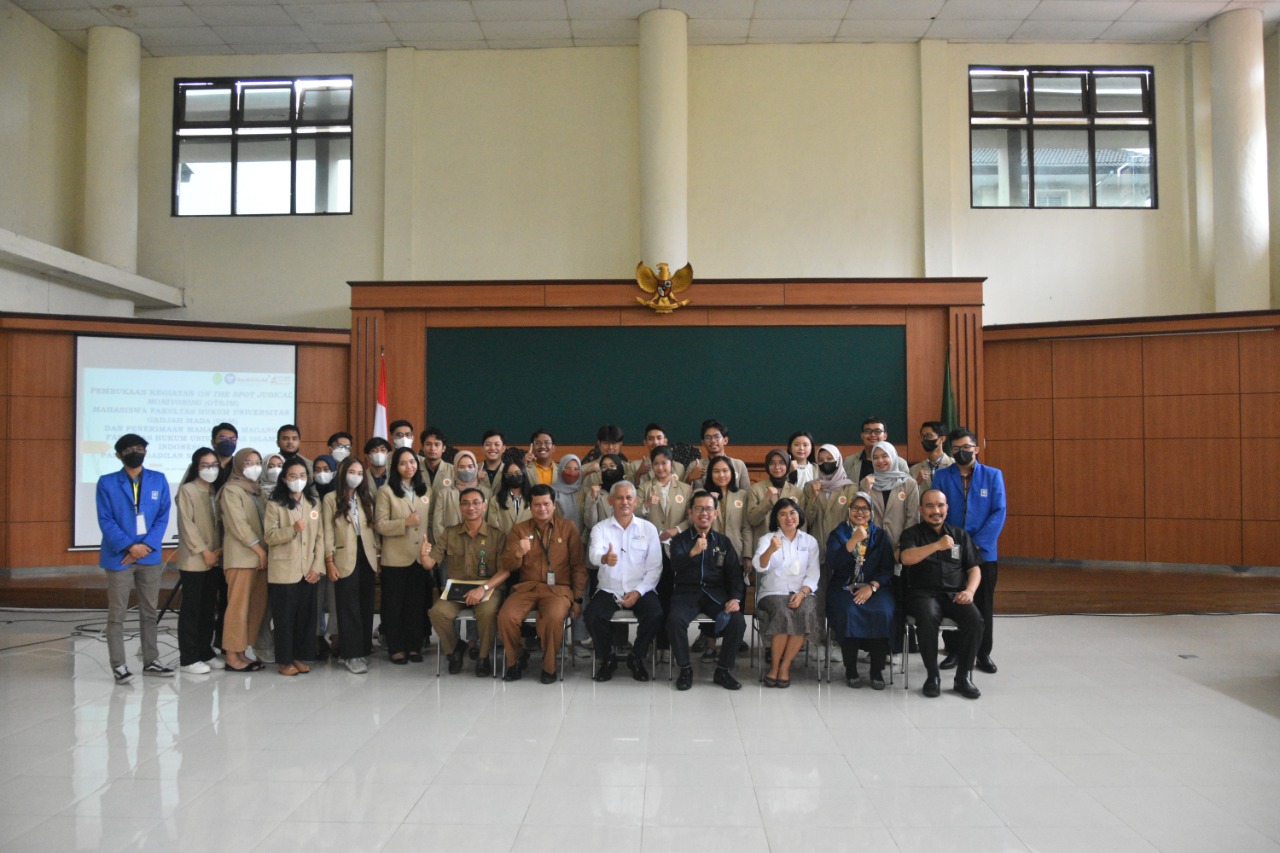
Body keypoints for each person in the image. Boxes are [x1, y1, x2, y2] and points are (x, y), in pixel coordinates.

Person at [97, 433, 173, 683]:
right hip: (119, 556)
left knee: (149, 611)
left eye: (139, 448)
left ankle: (151, 661)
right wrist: (130, 547)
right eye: (129, 449)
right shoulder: (107, 482)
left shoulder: (158, 479)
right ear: (119, 455)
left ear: (146, 452)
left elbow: (163, 516)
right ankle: (119, 665)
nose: (135, 452)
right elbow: (106, 520)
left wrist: (145, 546)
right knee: (117, 613)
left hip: (149, 556)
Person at [897, 489, 984, 699]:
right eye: (929, 506)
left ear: (947, 508)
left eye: (940, 505)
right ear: (921, 509)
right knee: (927, 618)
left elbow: (974, 569)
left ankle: (963, 677)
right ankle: (932, 676)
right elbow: (906, 558)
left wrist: (970, 591)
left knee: (975, 620)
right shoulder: (912, 534)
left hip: (955, 594)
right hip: (923, 594)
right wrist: (936, 546)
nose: (936, 510)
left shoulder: (960, 535)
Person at [933, 428, 1005, 675]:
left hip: (984, 551)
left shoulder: (993, 475)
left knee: (983, 602)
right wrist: (954, 542)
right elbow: (937, 511)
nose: (961, 452)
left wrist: (976, 544)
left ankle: (982, 653)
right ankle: (953, 650)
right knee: (952, 600)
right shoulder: (942, 476)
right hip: (951, 549)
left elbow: (999, 511)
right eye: (956, 449)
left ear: (976, 449)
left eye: (966, 448)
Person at [498, 484, 587, 683]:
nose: (542, 509)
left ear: (554, 505)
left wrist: (578, 598)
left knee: (553, 618)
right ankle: (516, 659)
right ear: (530, 506)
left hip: (558, 590)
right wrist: (518, 553)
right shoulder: (519, 530)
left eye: (546, 504)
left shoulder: (568, 528)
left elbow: (578, 566)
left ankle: (549, 666)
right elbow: (508, 565)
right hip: (527, 588)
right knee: (506, 616)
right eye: (537, 505)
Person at [584, 481, 664, 682]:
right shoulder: (600, 528)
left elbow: (655, 567)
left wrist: (638, 591)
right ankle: (607, 658)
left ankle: (636, 656)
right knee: (592, 616)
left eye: (629, 498)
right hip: (609, 589)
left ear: (635, 501)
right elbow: (594, 555)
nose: (624, 502)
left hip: (641, 588)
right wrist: (604, 558)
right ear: (610, 501)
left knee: (655, 614)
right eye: (619, 498)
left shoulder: (648, 529)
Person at [422, 487, 507, 677]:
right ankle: (454, 650)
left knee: (487, 613)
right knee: (437, 613)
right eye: (465, 503)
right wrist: (424, 555)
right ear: (460, 507)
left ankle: (483, 656)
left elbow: (505, 570)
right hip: (457, 589)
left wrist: (483, 588)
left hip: (488, 588)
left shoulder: (497, 535)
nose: (471, 507)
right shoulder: (450, 533)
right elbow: (429, 563)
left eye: (476, 503)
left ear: (484, 506)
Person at [666, 491, 745, 691]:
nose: (704, 513)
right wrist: (693, 552)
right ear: (690, 512)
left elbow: (735, 575)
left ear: (715, 514)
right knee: (674, 621)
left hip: (715, 593)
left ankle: (723, 670)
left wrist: (735, 598)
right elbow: (675, 566)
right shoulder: (680, 540)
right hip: (686, 593)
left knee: (737, 620)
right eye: (699, 508)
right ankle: (685, 669)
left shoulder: (723, 542)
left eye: (709, 509)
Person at [825, 493, 895, 689]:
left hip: (875, 588)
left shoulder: (880, 536)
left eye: (865, 509)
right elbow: (833, 562)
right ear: (849, 510)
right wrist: (852, 541)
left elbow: (887, 569)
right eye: (855, 508)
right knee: (849, 611)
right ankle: (851, 669)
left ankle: (876, 670)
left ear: (871, 513)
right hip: (844, 587)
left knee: (883, 612)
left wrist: (872, 587)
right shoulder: (838, 534)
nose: (860, 512)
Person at [263, 458, 323, 676]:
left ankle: (299, 656)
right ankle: (284, 660)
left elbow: (320, 537)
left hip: (308, 570)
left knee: (305, 618)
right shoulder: (275, 504)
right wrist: (292, 530)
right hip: (284, 572)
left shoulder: (313, 503)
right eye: (293, 476)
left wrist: (317, 567)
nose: (299, 480)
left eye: (303, 476)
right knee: (285, 619)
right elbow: (269, 536)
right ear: (284, 479)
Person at [752, 498, 820, 688]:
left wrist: (802, 593)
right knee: (783, 612)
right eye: (782, 514)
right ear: (776, 518)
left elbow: (813, 573)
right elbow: (759, 566)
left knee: (805, 611)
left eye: (792, 513)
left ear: (799, 515)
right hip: (773, 592)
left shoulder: (809, 541)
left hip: (802, 591)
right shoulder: (768, 539)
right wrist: (771, 550)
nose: (788, 518)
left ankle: (785, 666)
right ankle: (774, 667)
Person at [374, 447, 432, 664]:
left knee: (416, 605)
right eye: (403, 463)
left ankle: (414, 646)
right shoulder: (386, 492)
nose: (409, 466)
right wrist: (405, 523)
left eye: (412, 462)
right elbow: (379, 525)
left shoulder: (424, 490)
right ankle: (396, 647)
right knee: (393, 606)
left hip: (419, 557)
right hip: (395, 559)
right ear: (395, 467)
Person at [322, 456, 380, 674]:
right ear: (342, 473)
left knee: (366, 605)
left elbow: (373, 530)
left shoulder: (366, 497)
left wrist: (378, 557)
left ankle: (362, 649)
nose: (355, 477)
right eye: (351, 472)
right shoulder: (330, 499)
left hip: (367, 556)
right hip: (343, 557)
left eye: (359, 473)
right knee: (348, 607)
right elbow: (327, 532)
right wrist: (329, 561)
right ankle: (350, 654)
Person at [174, 447, 222, 675]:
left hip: (214, 559)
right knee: (191, 610)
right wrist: (204, 551)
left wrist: (217, 551)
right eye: (205, 465)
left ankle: (205, 651)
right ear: (196, 467)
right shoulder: (188, 490)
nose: (210, 469)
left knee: (208, 608)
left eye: (214, 465)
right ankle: (188, 657)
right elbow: (187, 525)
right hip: (194, 560)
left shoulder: (214, 491)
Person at [219, 448, 268, 672]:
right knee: (237, 608)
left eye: (258, 462)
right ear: (239, 465)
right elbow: (238, 524)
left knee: (254, 607)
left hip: (260, 558)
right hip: (242, 558)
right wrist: (259, 550)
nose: (254, 467)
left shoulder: (258, 491)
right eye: (248, 463)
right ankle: (232, 655)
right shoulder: (231, 490)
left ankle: (241, 652)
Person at [801, 443, 860, 620]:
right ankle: (817, 633)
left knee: (840, 600)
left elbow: (853, 521)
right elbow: (805, 521)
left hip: (842, 550)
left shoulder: (851, 488)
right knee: (817, 600)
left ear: (838, 460)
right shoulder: (810, 487)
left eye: (829, 459)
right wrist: (813, 498)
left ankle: (837, 633)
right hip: (817, 549)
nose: (825, 463)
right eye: (821, 460)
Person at [859, 441, 920, 549]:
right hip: (872, 547)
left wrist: (903, 547)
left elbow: (913, 519)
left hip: (900, 547)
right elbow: (860, 515)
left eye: (884, 456)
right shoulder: (866, 482)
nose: (880, 461)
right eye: (875, 457)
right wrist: (866, 492)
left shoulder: (909, 484)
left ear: (893, 456)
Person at [748, 448, 803, 557]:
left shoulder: (797, 492)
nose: (777, 467)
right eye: (772, 463)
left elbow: (801, 524)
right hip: (764, 548)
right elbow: (752, 520)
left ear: (787, 465)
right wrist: (766, 500)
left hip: (791, 549)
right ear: (767, 466)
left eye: (781, 463)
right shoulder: (756, 489)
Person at [430, 449, 479, 542]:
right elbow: (437, 525)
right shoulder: (444, 493)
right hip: (450, 546)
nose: (466, 470)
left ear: (476, 467)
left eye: (470, 466)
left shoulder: (486, 493)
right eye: (461, 467)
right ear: (455, 469)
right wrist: (448, 545)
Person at [842, 417, 908, 483]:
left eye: (878, 431)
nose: (872, 435)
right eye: (868, 431)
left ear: (885, 436)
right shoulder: (849, 462)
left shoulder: (900, 464)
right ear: (862, 435)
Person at [685, 419, 749, 487]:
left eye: (716, 436)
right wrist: (690, 478)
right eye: (708, 437)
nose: (713, 441)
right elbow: (682, 492)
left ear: (725, 440)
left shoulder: (738, 465)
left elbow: (746, 492)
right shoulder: (694, 466)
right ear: (703, 442)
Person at [486, 461, 531, 534]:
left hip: (529, 540)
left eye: (517, 473)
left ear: (524, 474)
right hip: (504, 540)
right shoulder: (496, 500)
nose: (514, 476)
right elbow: (493, 528)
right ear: (505, 477)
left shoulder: (533, 498)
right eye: (509, 474)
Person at [909, 421, 953, 490]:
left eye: (929, 436)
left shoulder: (953, 465)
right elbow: (907, 495)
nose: (925, 439)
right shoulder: (914, 470)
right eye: (922, 437)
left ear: (942, 438)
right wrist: (917, 482)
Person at [550, 454, 583, 531]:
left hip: (582, 537)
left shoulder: (584, 491)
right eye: (568, 468)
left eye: (576, 469)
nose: (572, 472)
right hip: (557, 535)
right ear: (560, 468)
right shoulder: (550, 492)